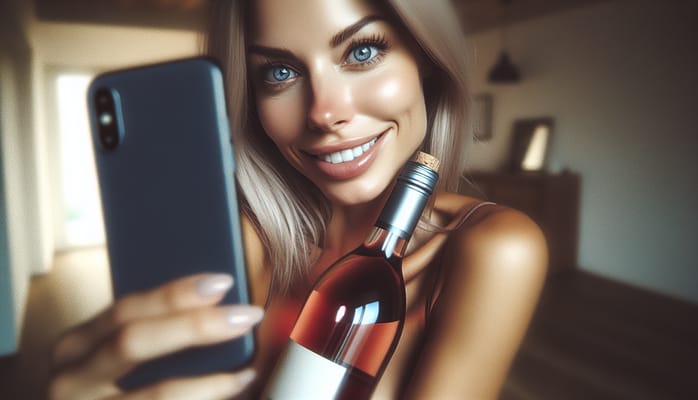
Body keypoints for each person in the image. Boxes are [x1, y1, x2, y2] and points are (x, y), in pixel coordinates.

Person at [48, 0, 547, 398]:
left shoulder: (493, 249)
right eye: (280, 73)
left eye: (363, 52)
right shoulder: (242, 238)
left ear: (427, 61)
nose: (325, 113)